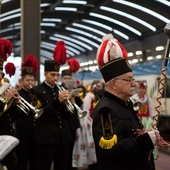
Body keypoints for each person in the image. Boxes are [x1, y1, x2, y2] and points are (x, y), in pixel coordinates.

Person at [91, 34, 160, 170]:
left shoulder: (123, 104)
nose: (134, 84)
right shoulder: (107, 111)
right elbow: (112, 149)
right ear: (114, 83)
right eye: (128, 80)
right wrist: (146, 141)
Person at [33, 41, 74, 170]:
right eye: (52, 75)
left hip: (63, 138)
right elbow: (39, 113)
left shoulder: (61, 89)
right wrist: (58, 102)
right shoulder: (37, 90)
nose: (55, 78)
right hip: (47, 139)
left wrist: (70, 104)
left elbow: (68, 115)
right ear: (45, 74)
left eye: (57, 75)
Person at [14, 55, 39, 170]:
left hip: (36, 134)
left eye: (32, 80)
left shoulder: (37, 93)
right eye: (27, 80)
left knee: (35, 161)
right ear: (22, 81)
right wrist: (16, 104)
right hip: (23, 134)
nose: (30, 82)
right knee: (22, 162)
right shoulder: (17, 94)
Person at [130, 81, 158, 160]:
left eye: (143, 89)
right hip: (137, 120)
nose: (142, 90)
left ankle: (150, 154)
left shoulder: (147, 99)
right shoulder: (133, 99)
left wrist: (153, 120)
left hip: (147, 121)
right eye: (140, 88)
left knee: (150, 136)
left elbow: (151, 110)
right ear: (137, 89)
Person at [61, 68, 81, 170]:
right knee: (63, 153)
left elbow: (80, 104)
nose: (67, 80)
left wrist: (75, 97)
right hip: (63, 125)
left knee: (72, 148)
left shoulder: (74, 89)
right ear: (61, 79)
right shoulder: (58, 89)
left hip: (72, 124)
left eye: (69, 78)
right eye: (65, 78)